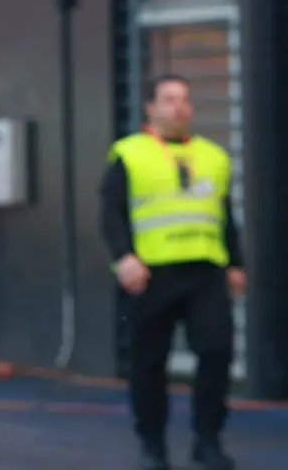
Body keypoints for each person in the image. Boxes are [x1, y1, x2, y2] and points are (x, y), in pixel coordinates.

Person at [100, 74, 246, 470]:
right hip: (151, 274)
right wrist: (124, 257)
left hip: (204, 271)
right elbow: (111, 211)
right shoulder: (130, 153)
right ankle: (152, 446)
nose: (179, 107)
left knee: (216, 351)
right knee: (148, 363)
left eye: (184, 99)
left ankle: (208, 440)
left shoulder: (213, 157)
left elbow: (225, 215)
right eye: (169, 99)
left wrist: (235, 263)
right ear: (151, 107)